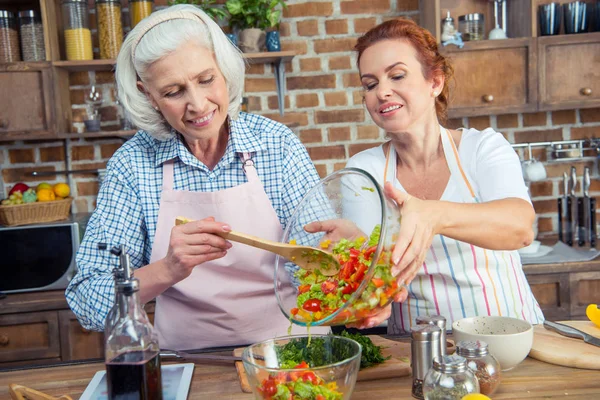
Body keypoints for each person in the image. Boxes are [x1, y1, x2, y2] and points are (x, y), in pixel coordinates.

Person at [65, 4, 328, 350]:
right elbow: (87, 297)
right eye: (174, 92)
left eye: (206, 80)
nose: (198, 104)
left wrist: (338, 259)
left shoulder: (277, 146)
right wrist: (167, 269)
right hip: (189, 363)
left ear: (224, 70)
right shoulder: (132, 165)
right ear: (149, 96)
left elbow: (318, 267)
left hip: (294, 354)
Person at [343, 18, 544, 333]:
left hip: (510, 341)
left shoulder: (482, 148)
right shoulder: (362, 172)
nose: (382, 91)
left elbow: (520, 228)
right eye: (370, 84)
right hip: (417, 349)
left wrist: (433, 214)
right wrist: (355, 276)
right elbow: (374, 271)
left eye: (397, 75)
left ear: (434, 82)